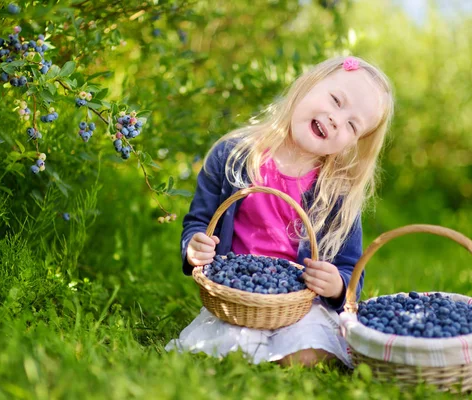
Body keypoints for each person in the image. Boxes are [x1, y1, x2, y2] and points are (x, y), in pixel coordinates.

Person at [165, 55, 394, 367]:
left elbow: (350, 270)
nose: (337, 120)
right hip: (238, 296)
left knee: (311, 349)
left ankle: (276, 352)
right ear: (307, 86)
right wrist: (193, 247)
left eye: (352, 125)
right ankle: (257, 350)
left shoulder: (338, 193)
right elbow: (199, 222)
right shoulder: (233, 156)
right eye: (336, 100)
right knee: (225, 340)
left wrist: (337, 285)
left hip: (300, 305)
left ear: (353, 143)